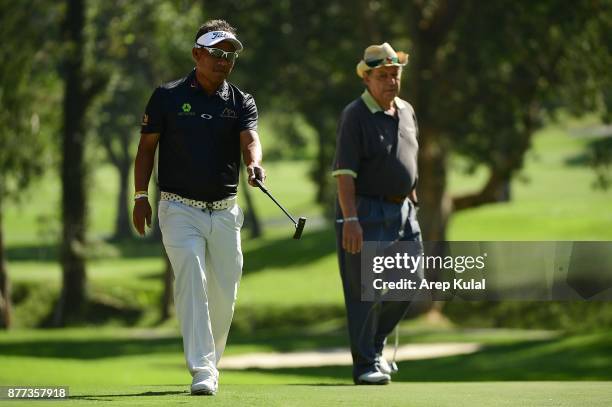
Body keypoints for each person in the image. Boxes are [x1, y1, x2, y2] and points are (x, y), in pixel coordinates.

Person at [132, 19, 265, 396]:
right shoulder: (167, 96)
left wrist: (255, 163)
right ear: (197, 54)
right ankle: (202, 369)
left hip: (224, 211)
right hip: (178, 209)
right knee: (190, 271)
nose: (225, 60)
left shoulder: (241, 101)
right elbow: (145, 150)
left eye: (231, 54)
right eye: (217, 53)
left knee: (225, 293)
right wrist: (141, 196)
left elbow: (250, 140)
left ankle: (211, 362)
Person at [332, 42, 422, 385]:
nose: (391, 81)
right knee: (365, 291)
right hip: (365, 210)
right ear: (367, 79)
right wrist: (350, 219)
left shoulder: (407, 110)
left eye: (395, 74)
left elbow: (408, 155)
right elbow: (344, 173)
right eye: (383, 76)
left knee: (411, 282)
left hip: (403, 209)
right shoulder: (354, 115)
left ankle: (376, 344)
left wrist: (412, 193)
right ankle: (366, 364)